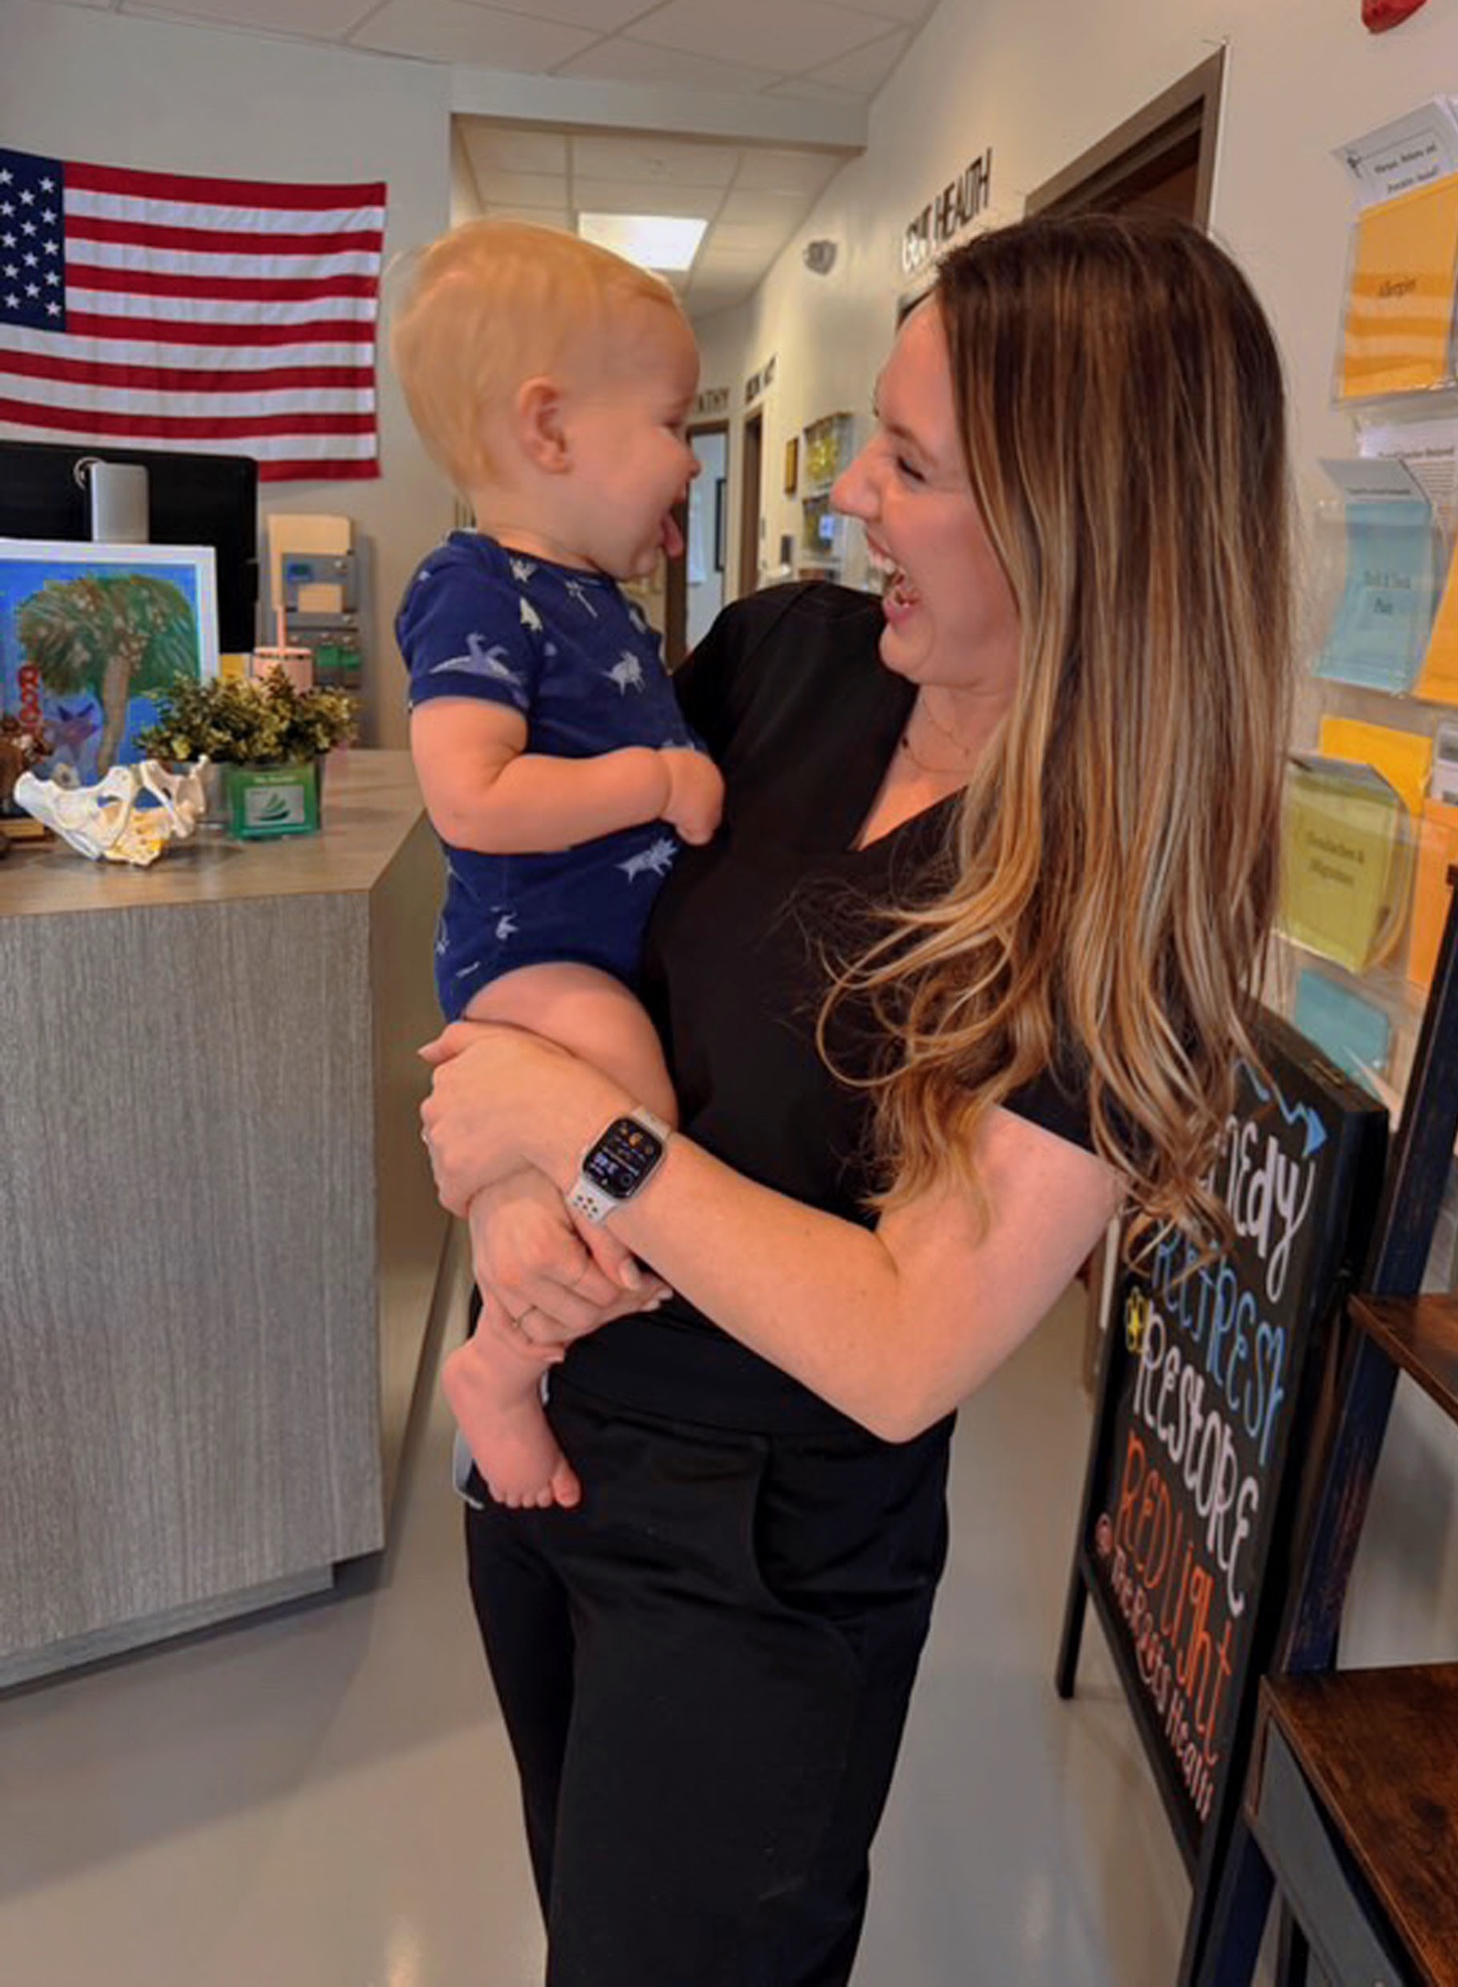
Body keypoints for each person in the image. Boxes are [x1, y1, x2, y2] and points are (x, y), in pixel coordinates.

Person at [419, 212, 1292, 1986]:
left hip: (763, 1566)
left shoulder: (1123, 906)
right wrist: (512, 1205)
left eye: (908, 466)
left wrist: (564, 1136)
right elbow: (545, 957)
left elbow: (904, 1340)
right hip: (547, 1438)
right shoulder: (779, 660)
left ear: (1076, 522)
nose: (845, 503)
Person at [392, 221, 721, 1511]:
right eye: (673, 422)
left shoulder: (595, 597)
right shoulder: (472, 588)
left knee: (598, 1131)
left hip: (583, 957)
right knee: (640, 1118)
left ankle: (537, 1301)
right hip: (532, 961)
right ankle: (509, 1357)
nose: (690, 460)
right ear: (551, 431)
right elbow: (469, 798)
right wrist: (652, 781)